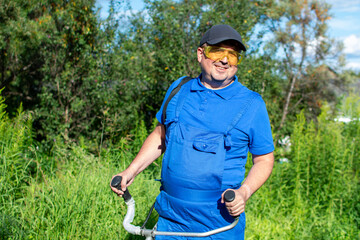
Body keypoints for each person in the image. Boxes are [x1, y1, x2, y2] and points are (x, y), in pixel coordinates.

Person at [110, 24, 274, 239]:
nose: (225, 60)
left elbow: (264, 159)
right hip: (171, 218)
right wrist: (130, 171)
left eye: (233, 56)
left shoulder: (252, 103)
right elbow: (161, 135)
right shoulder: (179, 89)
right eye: (217, 51)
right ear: (200, 53)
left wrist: (244, 192)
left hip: (219, 222)